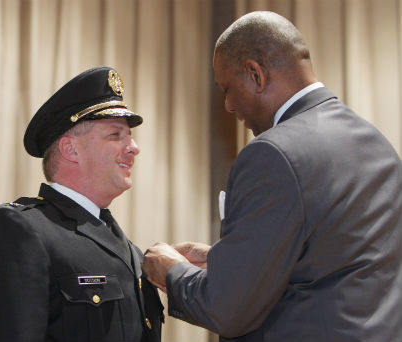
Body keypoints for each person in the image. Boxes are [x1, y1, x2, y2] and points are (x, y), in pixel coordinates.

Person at [142, 11, 402, 341]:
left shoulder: (273, 153)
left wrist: (172, 270)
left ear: (256, 75)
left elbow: (227, 308)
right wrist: (227, 259)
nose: (229, 106)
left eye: (227, 89)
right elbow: (334, 256)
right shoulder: (376, 142)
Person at [0, 66, 163, 341]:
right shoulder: (18, 231)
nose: (134, 147)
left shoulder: (129, 250)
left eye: (129, 136)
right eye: (116, 135)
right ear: (71, 150)